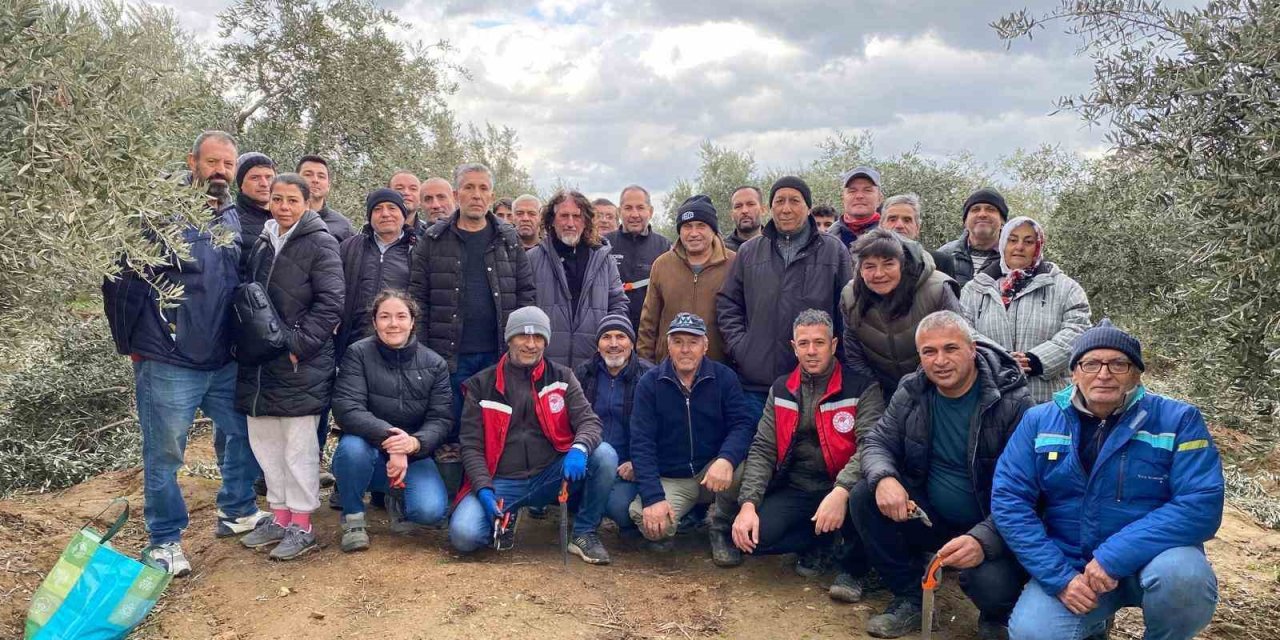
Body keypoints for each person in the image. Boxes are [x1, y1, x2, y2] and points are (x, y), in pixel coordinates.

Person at [101, 130, 267, 576]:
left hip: (221, 357)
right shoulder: (159, 213)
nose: (220, 171)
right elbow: (120, 279)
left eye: (228, 165)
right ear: (192, 162)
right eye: (212, 162)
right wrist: (130, 344)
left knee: (242, 433)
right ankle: (165, 539)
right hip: (167, 356)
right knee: (165, 452)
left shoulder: (230, 215)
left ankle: (237, 510)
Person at [993, 320, 1224, 640]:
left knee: (1185, 579)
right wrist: (1058, 578)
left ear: (1136, 373)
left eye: (1118, 363)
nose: (1104, 374)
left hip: (1155, 558)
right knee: (1034, 633)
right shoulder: (1039, 421)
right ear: (1073, 372)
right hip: (1073, 563)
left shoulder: (1178, 420)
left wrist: (1113, 556)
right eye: (1091, 363)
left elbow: (1200, 505)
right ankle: (1095, 624)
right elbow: (1009, 500)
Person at [852, 311, 1033, 639]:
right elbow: (877, 440)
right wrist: (884, 478)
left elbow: (1028, 492)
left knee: (990, 587)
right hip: (930, 516)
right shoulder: (913, 390)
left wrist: (983, 538)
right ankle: (909, 597)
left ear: (972, 349)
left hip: (995, 524)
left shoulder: (1013, 403)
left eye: (951, 348)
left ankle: (996, 616)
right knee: (865, 495)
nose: (940, 361)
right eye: (929, 352)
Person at [733, 309, 885, 602]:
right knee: (752, 539)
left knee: (865, 502)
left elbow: (870, 445)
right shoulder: (781, 388)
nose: (811, 351)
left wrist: (840, 491)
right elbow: (763, 448)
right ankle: (822, 540)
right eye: (804, 343)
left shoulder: (862, 387)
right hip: (799, 487)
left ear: (834, 345)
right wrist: (748, 504)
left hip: (846, 489)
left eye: (819, 342)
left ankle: (853, 569)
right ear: (793, 347)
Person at [449, 306, 618, 565]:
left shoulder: (562, 377)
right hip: (502, 481)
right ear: (509, 340)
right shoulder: (481, 385)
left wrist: (579, 448)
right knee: (464, 536)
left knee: (604, 455)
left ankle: (584, 533)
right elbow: (471, 446)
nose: (530, 344)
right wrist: (483, 489)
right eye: (522, 337)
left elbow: (589, 422)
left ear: (546, 342)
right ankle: (508, 515)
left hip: (551, 474)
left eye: (538, 337)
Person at [235, 174, 344, 561]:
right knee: (266, 443)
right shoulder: (264, 242)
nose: (283, 206)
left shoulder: (321, 243)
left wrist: (298, 347)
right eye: (277, 199)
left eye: (291, 200)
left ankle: (303, 524)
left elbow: (331, 303)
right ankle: (280, 516)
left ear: (306, 202)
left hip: (300, 364)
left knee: (298, 448)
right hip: (260, 365)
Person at [408, 163, 536, 436]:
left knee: (494, 430)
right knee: (451, 432)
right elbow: (417, 300)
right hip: (448, 356)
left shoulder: (508, 238)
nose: (476, 195)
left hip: (497, 353)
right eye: (469, 187)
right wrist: (423, 351)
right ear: (456, 194)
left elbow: (526, 294)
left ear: (491, 196)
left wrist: (521, 343)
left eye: (483, 188)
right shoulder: (433, 239)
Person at [717, 176, 852, 423]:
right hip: (758, 385)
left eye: (794, 201)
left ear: (808, 207)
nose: (786, 208)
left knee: (812, 458)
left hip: (817, 383)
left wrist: (838, 360)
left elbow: (848, 312)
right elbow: (728, 304)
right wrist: (742, 347)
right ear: (770, 207)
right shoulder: (749, 252)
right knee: (759, 455)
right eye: (779, 201)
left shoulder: (833, 251)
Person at [628, 313, 756, 564]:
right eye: (678, 341)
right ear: (668, 345)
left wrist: (726, 459)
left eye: (693, 341)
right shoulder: (649, 383)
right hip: (673, 477)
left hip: (713, 471)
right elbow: (641, 443)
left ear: (705, 346)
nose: (685, 349)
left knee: (745, 467)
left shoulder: (724, 378)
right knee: (652, 525)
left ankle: (720, 527)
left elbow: (742, 424)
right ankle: (687, 514)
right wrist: (653, 498)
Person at [331, 291, 452, 551]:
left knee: (430, 512)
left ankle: (396, 497)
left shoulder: (435, 364)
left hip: (414, 454)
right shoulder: (357, 354)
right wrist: (392, 439)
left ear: (412, 322)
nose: (393, 324)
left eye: (400, 316)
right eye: (384, 317)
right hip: (368, 448)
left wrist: (414, 444)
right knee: (350, 450)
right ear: (375, 323)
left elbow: (441, 419)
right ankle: (353, 518)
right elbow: (347, 408)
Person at [960, 216, 1092, 403]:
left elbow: (1078, 330)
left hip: (1049, 400)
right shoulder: (976, 289)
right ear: (1003, 244)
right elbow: (964, 331)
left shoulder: (1065, 288)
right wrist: (1001, 358)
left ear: (1038, 246)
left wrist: (1035, 360)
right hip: (992, 398)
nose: (1019, 247)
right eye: (1013, 240)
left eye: (1028, 241)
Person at [841, 227, 961, 399]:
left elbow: (956, 346)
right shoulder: (850, 296)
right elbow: (854, 355)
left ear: (902, 265)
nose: (879, 274)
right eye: (869, 266)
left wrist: (912, 393)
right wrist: (877, 396)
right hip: (882, 393)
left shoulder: (937, 289)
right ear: (860, 269)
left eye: (888, 264)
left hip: (937, 389)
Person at [527, 189, 628, 369]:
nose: (570, 223)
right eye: (564, 215)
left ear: (586, 221)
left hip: (593, 365)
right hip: (545, 365)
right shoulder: (533, 259)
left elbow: (618, 304)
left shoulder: (604, 260)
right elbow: (525, 309)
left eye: (577, 216)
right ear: (551, 220)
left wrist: (608, 342)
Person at [574, 314, 654, 537]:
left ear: (632, 342)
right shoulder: (582, 374)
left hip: (627, 467)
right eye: (606, 337)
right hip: (589, 460)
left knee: (619, 509)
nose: (614, 344)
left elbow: (661, 430)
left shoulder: (648, 377)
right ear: (598, 344)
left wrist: (638, 463)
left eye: (621, 336)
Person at [637, 195, 736, 363]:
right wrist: (644, 365)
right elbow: (648, 322)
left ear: (713, 230)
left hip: (719, 369)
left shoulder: (734, 263)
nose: (694, 233)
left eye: (701, 226)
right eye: (687, 226)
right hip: (669, 369)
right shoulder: (662, 265)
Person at [337, 189, 416, 359]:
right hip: (352, 344)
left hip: (400, 346)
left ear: (403, 214)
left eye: (392, 208)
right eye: (377, 209)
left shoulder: (418, 250)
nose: (385, 214)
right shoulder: (349, 248)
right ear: (370, 216)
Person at [605, 185, 671, 331]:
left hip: (650, 332)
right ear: (619, 212)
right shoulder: (603, 245)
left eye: (640, 208)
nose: (634, 214)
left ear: (651, 211)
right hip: (612, 333)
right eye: (628, 208)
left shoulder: (665, 247)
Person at [939, 188, 1008, 288]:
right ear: (965, 221)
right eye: (975, 209)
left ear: (1002, 220)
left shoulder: (1012, 258)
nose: (982, 214)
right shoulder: (945, 255)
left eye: (990, 209)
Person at [881, 193, 956, 277]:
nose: (899, 225)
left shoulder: (941, 262)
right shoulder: (868, 261)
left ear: (917, 228)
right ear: (881, 226)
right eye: (892, 219)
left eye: (907, 220)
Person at [232, 152, 276, 271]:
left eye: (269, 177)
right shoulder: (231, 221)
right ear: (241, 184)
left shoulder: (288, 219)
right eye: (255, 178)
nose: (264, 184)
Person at [296, 155, 354, 243]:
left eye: (321, 176)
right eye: (308, 175)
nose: (315, 180)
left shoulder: (343, 227)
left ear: (328, 186)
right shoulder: (282, 217)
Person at [829, 166, 883, 249]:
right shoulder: (826, 238)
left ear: (880, 198)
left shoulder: (891, 235)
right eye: (852, 191)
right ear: (843, 198)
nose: (859, 196)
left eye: (867, 190)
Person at [723, 185, 764, 251]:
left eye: (750, 204)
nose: (744, 211)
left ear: (763, 210)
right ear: (732, 214)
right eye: (738, 206)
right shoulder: (722, 251)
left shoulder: (776, 245)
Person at [388, 170, 425, 236]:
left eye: (413, 189)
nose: (406, 193)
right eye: (399, 188)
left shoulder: (430, 235)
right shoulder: (369, 235)